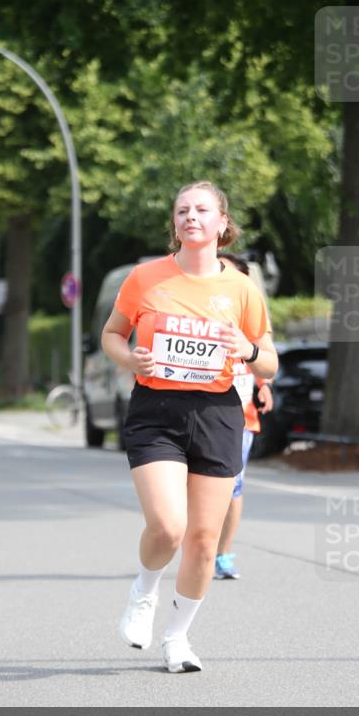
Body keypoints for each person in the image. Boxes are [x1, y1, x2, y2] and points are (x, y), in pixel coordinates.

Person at [101, 181, 277, 673]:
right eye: (182, 210)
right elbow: (112, 334)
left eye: (202, 210)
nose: (191, 217)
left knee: (203, 540)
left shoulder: (242, 289)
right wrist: (129, 357)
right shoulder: (145, 278)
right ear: (174, 224)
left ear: (223, 223)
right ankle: (144, 591)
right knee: (168, 526)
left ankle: (177, 639)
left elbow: (270, 364)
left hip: (218, 412)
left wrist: (244, 350)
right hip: (156, 409)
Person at [214, 253, 274, 580]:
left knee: (232, 487)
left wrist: (264, 385)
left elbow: (264, 356)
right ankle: (196, 543)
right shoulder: (198, 310)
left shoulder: (250, 316)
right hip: (197, 410)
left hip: (241, 417)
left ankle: (223, 553)